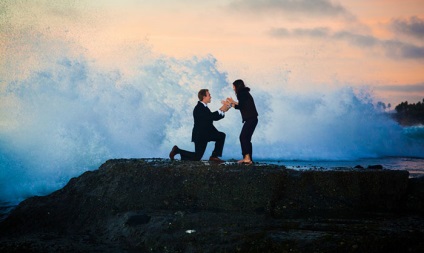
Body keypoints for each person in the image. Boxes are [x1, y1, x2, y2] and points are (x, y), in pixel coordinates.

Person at [169, 89, 230, 162]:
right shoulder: (199, 108)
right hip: (200, 135)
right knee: (197, 157)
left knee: (221, 136)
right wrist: (222, 109)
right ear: (204, 97)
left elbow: (213, 117)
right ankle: (177, 150)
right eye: (209, 95)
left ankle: (214, 156)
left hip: (206, 133)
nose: (210, 97)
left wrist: (224, 110)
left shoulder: (204, 107)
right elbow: (210, 117)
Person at [226, 79, 258, 165]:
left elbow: (241, 106)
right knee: (246, 138)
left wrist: (230, 105)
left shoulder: (241, 93)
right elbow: (244, 104)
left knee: (243, 137)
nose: (233, 89)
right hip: (253, 119)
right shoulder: (245, 93)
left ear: (237, 86)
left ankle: (247, 158)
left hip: (251, 119)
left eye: (234, 87)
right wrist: (233, 102)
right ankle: (248, 158)